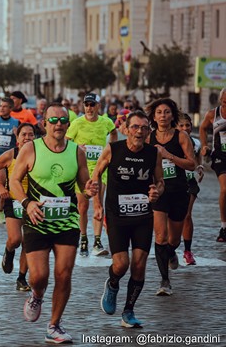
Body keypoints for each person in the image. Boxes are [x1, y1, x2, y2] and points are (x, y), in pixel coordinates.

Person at [9, 103, 99, 344]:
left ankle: (54, 325)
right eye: (53, 120)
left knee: (64, 274)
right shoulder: (30, 149)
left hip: (67, 222)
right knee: (39, 277)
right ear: (44, 124)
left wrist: (90, 189)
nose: (58, 124)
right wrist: (27, 203)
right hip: (37, 221)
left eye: (63, 120)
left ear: (68, 124)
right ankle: (36, 295)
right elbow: (14, 181)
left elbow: (84, 184)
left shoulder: (76, 151)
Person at [94, 111, 164, 328]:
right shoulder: (114, 149)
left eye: (144, 128)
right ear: (126, 129)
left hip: (143, 215)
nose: (140, 132)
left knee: (139, 264)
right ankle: (113, 283)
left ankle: (129, 311)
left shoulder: (154, 153)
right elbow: (96, 174)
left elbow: (160, 181)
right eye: (135, 127)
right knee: (121, 263)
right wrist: (97, 203)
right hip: (117, 215)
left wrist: (157, 192)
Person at [146, 98, 195, 296]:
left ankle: (172, 251)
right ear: (154, 117)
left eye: (167, 112)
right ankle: (164, 280)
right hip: (159, 191)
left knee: (173, 239)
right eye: (159, 112)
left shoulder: (181, 136)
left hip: (179, 190)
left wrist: (168, 155)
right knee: (160, 236)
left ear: (172, 115)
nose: (163, 116)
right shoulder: (149, 138)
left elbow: (191, 164)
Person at [66, 92, 117, 257]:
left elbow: (114, 132)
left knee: (98, 205)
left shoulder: (106, 122)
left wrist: (112, 150)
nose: (89, 108)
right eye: (86, 105)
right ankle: (83, 239)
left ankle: (97, 241)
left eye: (92, 105)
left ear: (98, 106)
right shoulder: (77, 123)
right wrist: (76, 147)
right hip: (81, 170)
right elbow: (66, 141)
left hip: (100, 170)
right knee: (82, 207)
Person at [0, 122, 35, 291]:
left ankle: (21, 278)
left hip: (33, 203)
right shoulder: (10, 155)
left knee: (29, 242)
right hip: (13, 201)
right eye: (24, 135)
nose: (27, 138)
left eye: (31, 135)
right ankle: (9, 250)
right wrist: (1, 187)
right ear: (17, 138)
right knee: (16, 239)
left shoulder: (39, 155)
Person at [199, 87, 226, 242]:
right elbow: (202, 128)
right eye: (224, 102)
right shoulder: (213, 114)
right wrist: (204, 145)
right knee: (225, 189)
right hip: (220, 156)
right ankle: (224, 227)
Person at [178, 113, 204, 265]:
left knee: (187, 215)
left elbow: (197, 156)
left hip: (189, 181)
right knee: (172, 217)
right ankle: (170, 247)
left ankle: (187, 251)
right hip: (172, 183)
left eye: (187, 125)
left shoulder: (195, 142)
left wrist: (199, 166)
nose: (185, 128)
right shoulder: (171, 141)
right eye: (181, 125)